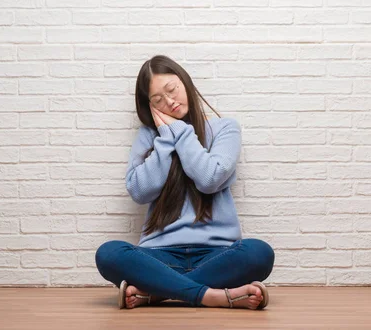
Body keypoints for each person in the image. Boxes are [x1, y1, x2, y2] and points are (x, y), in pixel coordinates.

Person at [95, 55, 275, 310]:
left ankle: (158, 293)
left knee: (259, 253)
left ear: (184, 81)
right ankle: (213, 296)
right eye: (158, 100)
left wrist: (180, 131)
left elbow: (209, 179)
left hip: (217, 254)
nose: (169, 102)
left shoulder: (225, 129)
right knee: (109, 254)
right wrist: (167, 139)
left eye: (172, 90)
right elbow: (139, 190)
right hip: (159, 256)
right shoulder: (150, 136)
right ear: (150, 106)